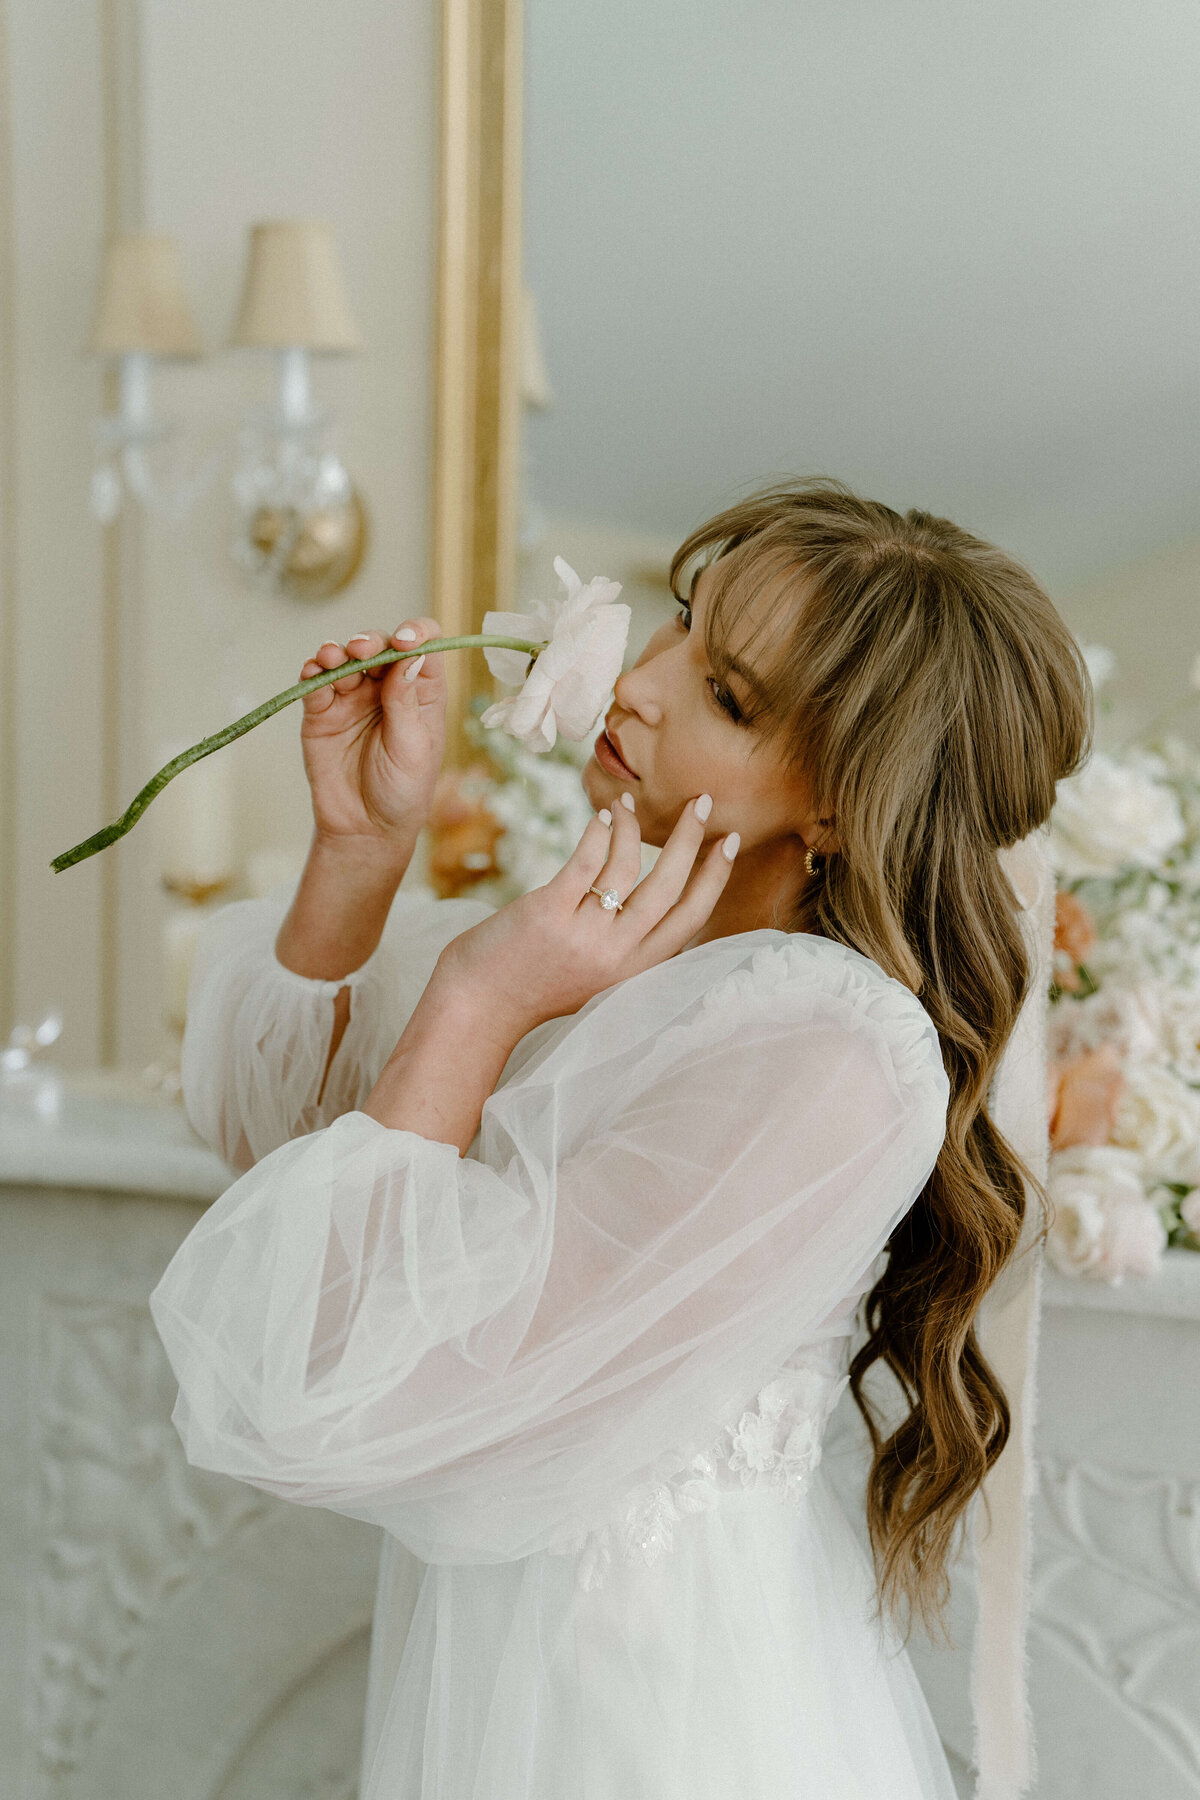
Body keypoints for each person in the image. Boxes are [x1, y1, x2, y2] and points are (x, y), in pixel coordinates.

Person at [150, 477, 1091, 1800]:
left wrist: (481, 998)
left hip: (644, 1709)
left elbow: (342, 1369)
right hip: (508, 1667)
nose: (639, 686)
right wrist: (364, 849)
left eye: (729, 697)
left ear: (839, 803)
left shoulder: (826, 1053)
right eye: (676, 630)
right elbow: (281, 1145)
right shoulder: (611, 935)